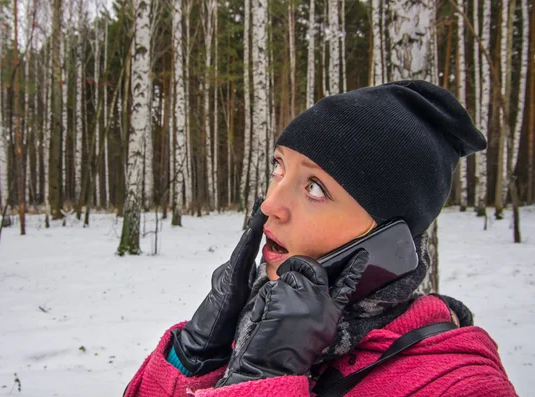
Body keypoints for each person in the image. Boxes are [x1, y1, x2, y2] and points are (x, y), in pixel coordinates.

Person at [123, 80, 517, 397]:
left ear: (388, 238)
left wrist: (263, 381)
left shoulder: (455, 382)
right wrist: (194, 356)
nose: (270, 205)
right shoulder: (251, 331)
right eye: (278, 167)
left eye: (314, 187)